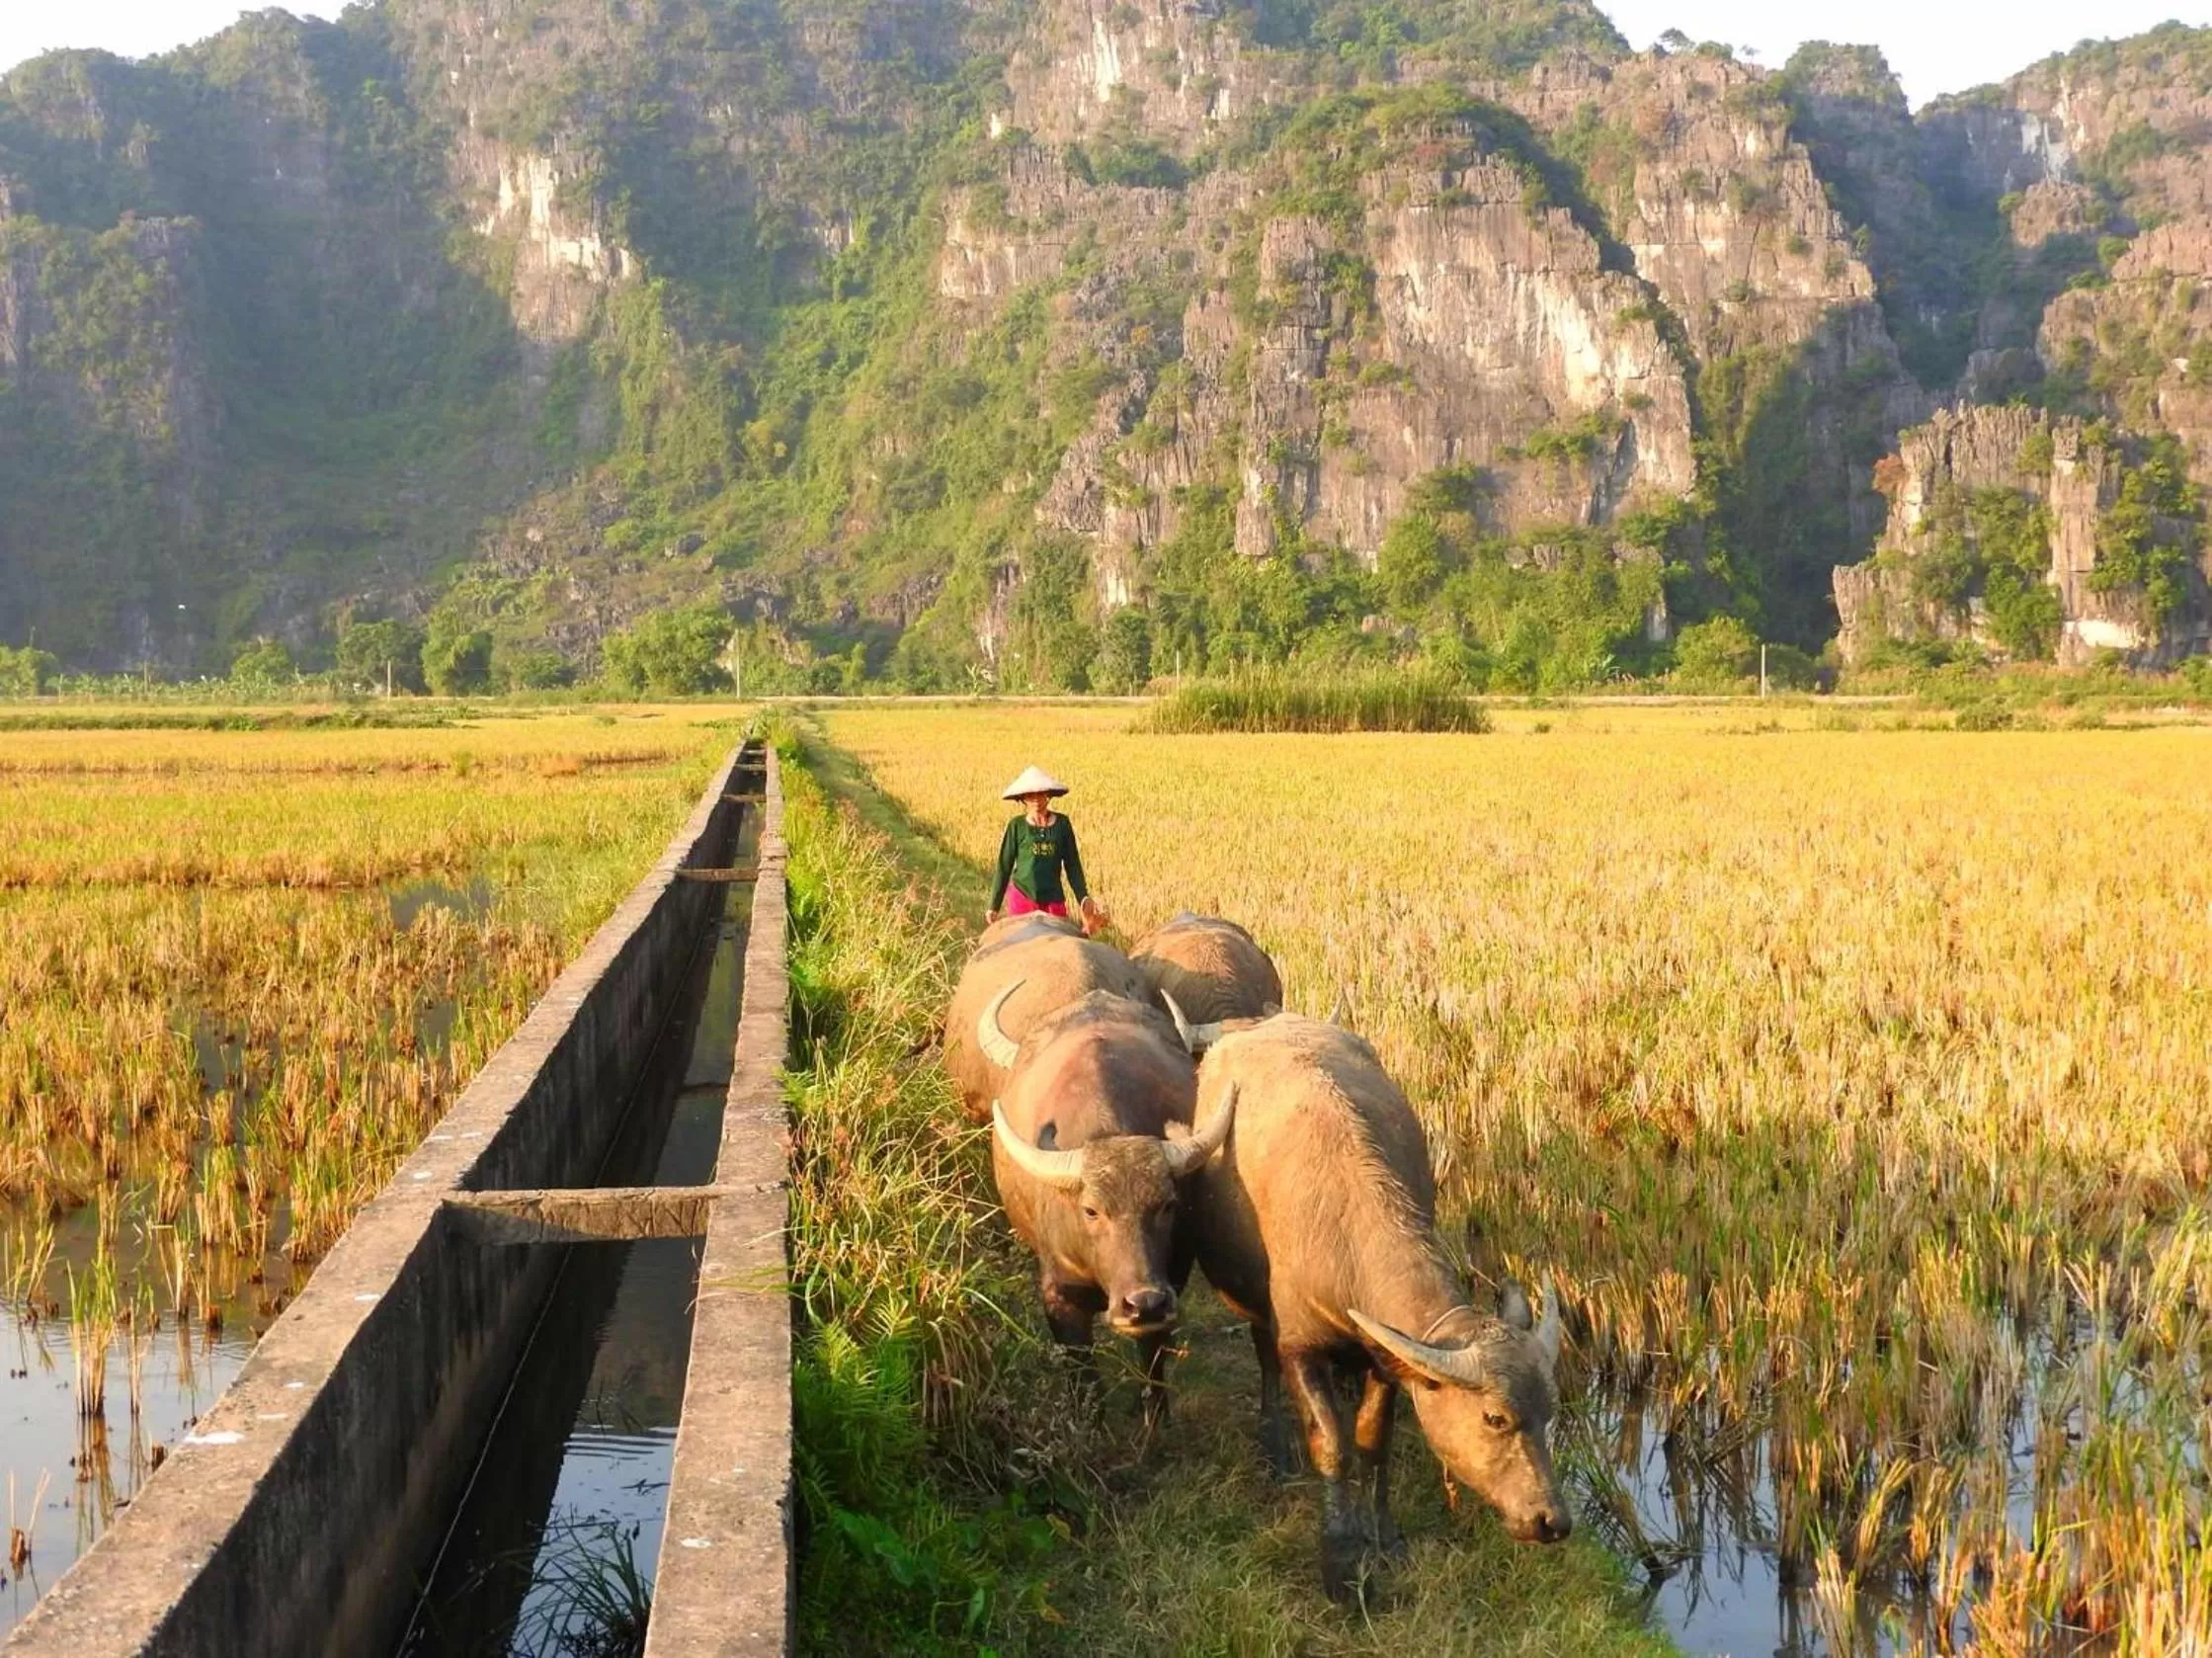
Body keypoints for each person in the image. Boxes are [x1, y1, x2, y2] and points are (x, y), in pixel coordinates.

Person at [986, 766, 1106, 936]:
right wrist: (994, 906)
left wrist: (1083, 897)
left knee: (1061, 943)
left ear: (1048, 795)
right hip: (1023, 895)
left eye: (1040, 794)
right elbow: (1004, 866)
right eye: (1030, 795)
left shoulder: (1062, 824)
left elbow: (1072, 864)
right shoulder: (1017, 826)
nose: (1036, 799)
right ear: (1023, 799)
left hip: (1053, 897)